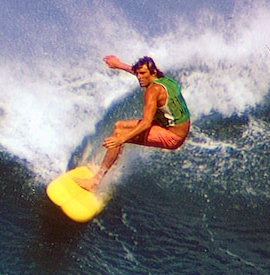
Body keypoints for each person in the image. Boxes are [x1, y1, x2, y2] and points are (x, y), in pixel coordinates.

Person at [74, 55, 191, 191]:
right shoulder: (164, 79)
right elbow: (137, 71)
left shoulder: (152, 91)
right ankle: (109, 166)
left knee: (119, 134)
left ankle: (96, 181)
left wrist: (121, 139)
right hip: (173, 126)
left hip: (173, 137)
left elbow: (146, 123)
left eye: (143, 74)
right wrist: (119, 64)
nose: (139, 77)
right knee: (119, 125)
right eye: (138, 73)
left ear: (152, 73)